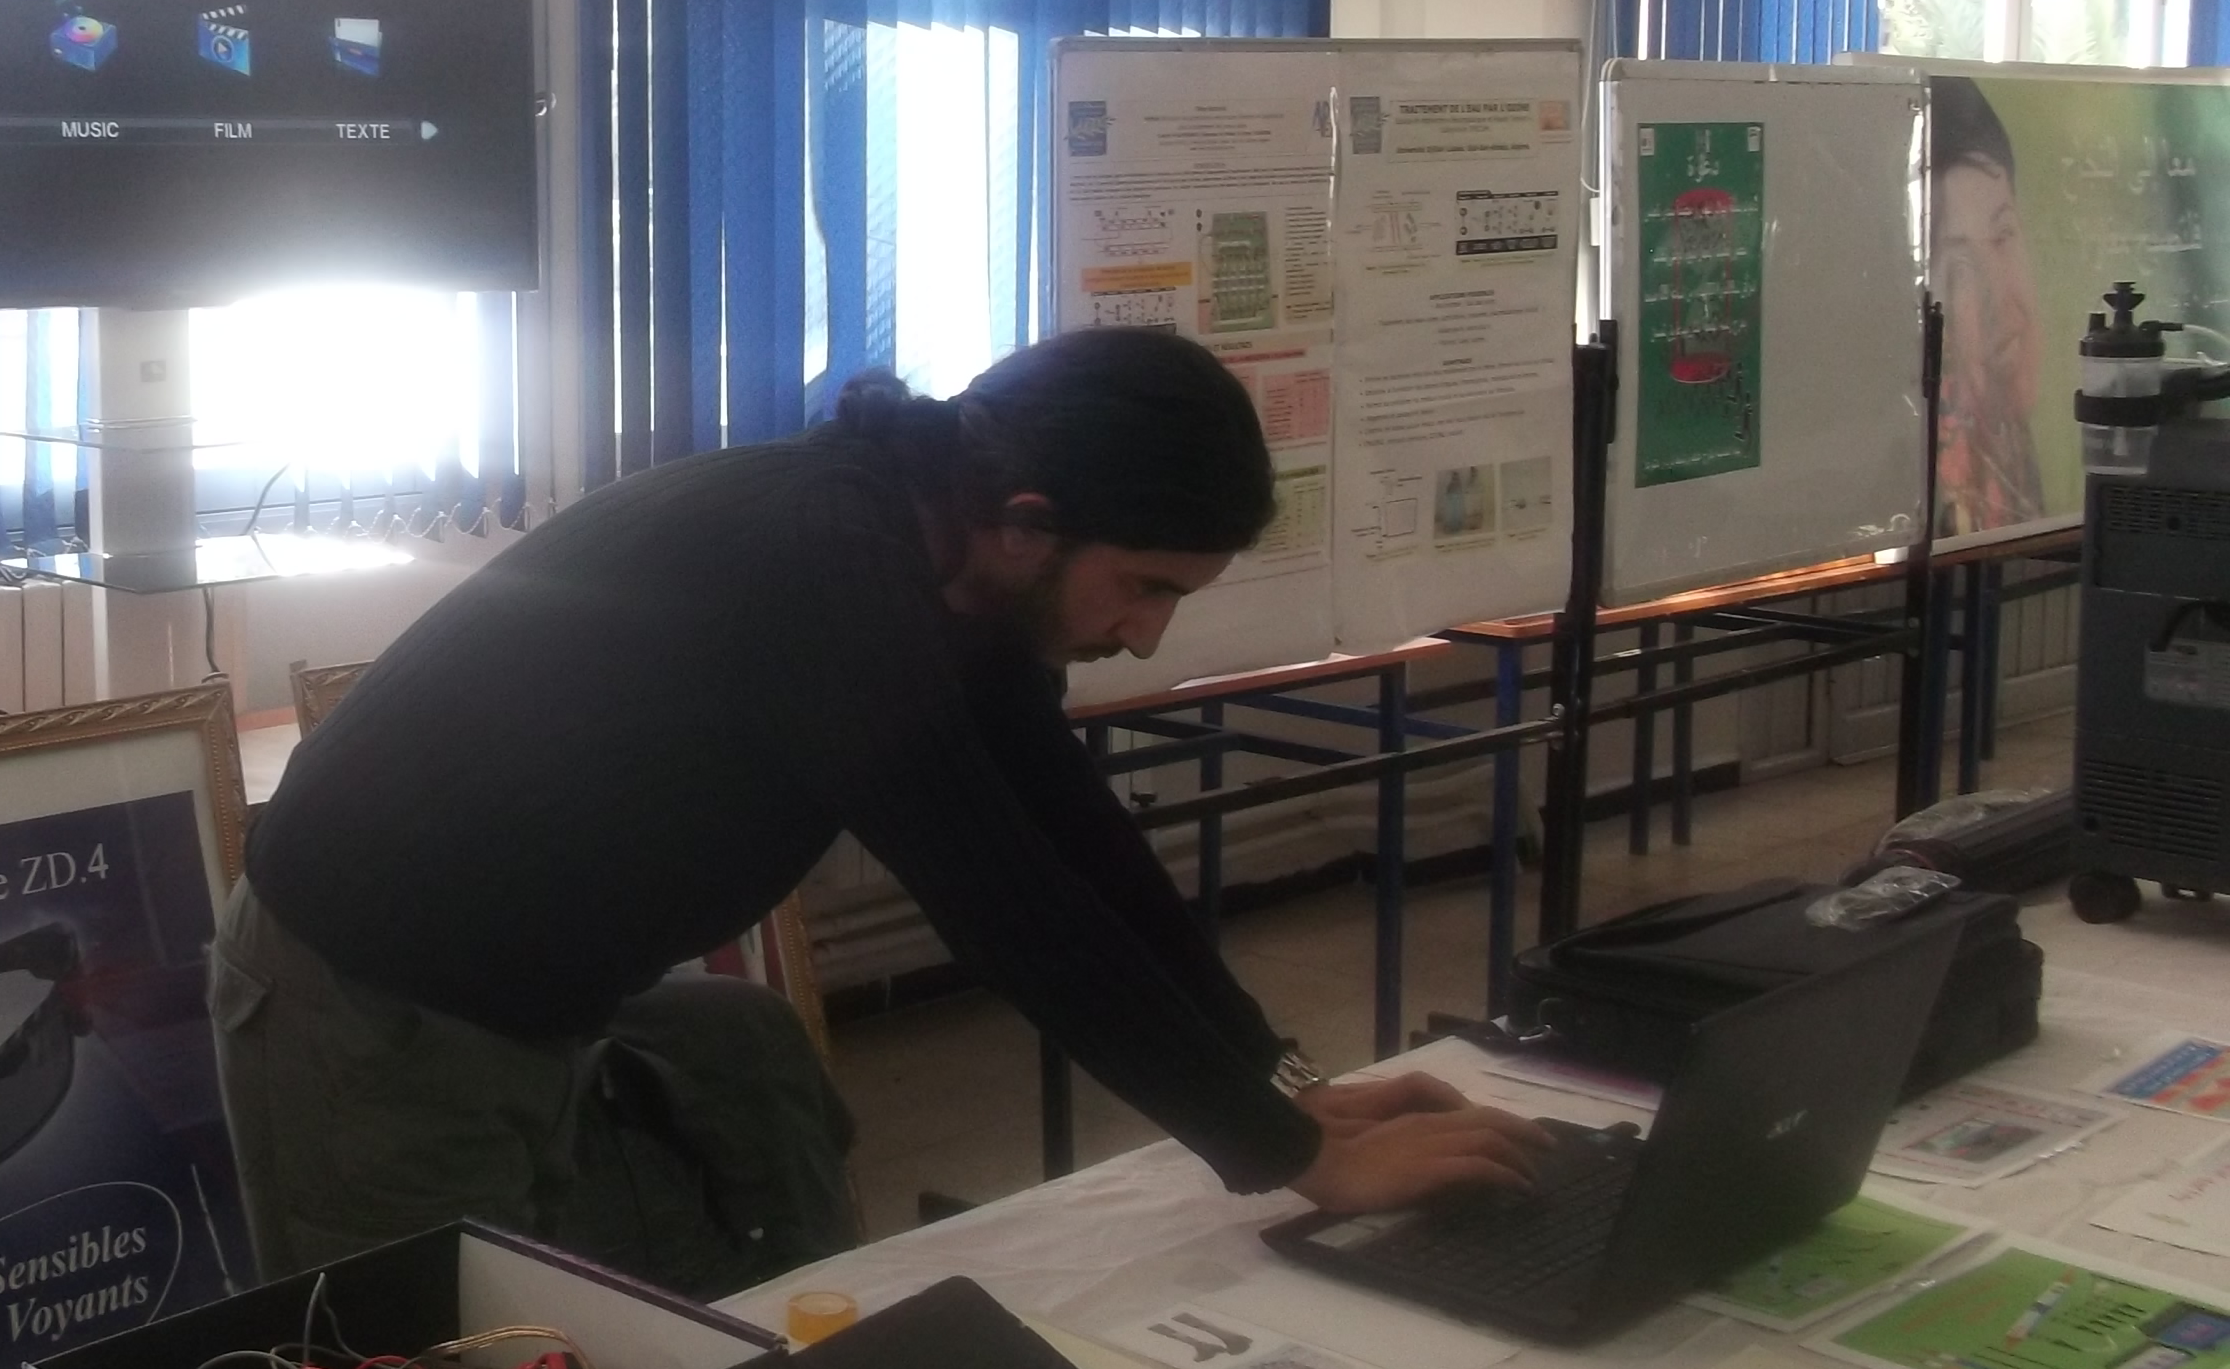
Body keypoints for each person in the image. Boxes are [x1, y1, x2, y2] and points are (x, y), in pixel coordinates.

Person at [213, 327, 1546, 1296]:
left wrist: (1283, 1086)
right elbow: (1006, 905)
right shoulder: (828, 567)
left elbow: (1077, 841)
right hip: (369, 1011)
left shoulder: (947, 564)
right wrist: (1291, 1157)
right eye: (1145, 586)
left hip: (522, 1004)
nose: (1144, 637)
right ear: (1028, 521)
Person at [1928, 75, 2046, 536]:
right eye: (1960, 266)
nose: (2001, 296)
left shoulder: (2014, 457)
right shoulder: (1930, 484)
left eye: (2003, 235)